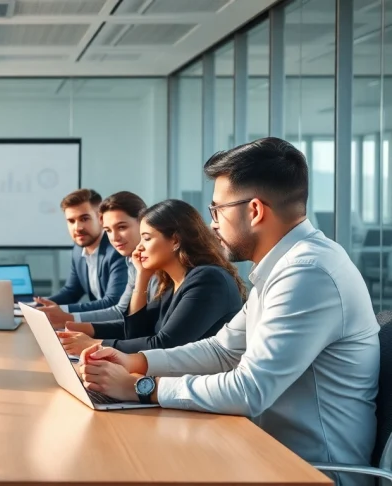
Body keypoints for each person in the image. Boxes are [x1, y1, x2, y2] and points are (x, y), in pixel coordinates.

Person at [79, 138, 378, 486]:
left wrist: (142, 387)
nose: (213, 224)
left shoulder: (309, 272)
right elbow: (223, 350)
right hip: (264, 452)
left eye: (217, 210)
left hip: (310, 472)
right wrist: (136, 362)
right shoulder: (282, 268)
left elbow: (249, 390)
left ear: (254, 210)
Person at [60, 199, 244, 357]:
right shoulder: (172, 282)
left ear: (175, 241)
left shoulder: (208, 280)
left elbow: (165, 345)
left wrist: (94, 344)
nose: (139, 248)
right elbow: (138, 331)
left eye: (146, 238)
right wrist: (87, 329)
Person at [38, 191, 154, 330]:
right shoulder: (133, 261)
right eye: (109, 230)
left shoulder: (120, 253)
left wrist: (66, 316)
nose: (78, 227)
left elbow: (117, 306)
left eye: (122, 227)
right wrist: (42, 307)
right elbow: (122, 312)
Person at [35, 189, 128, 313]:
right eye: (71, 221)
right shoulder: (78, 249)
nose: (77, 228)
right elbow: (72, 291)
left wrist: (60, 310)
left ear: (101, 219)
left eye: (84, 219)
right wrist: (38, 305)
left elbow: (112, 302)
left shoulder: (117, 250)